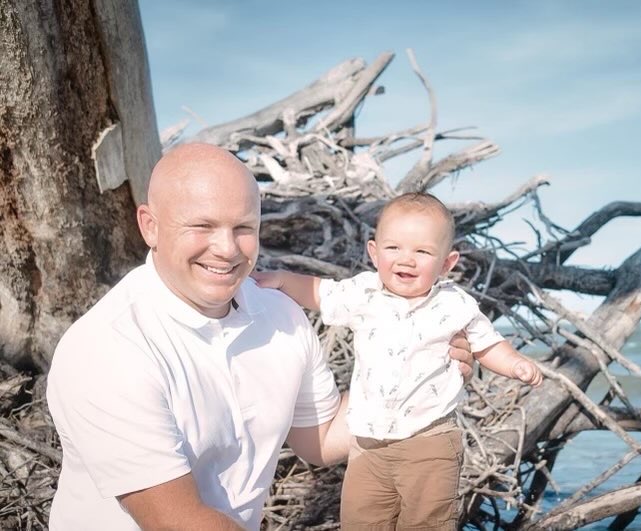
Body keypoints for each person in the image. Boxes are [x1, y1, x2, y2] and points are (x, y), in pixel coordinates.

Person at [45, 144, 474, 531]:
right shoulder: (108, 348)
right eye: (203, 225)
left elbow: (321, 439)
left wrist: (423, 372)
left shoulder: (280, 315)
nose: (227, 249)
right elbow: (178, 522)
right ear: (150, 225)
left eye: (243, 227)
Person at [253, 192, 543, 530]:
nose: (406, 259)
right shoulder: (365, 293)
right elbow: (321, 292)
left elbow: (486, 343)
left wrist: (514, 364)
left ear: (446, 264)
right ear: (374, 253)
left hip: (429, 440)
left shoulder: (454, 304)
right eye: (394, 248)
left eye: (422, 251)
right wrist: (283, 280)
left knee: (427, 522)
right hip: (366, 444)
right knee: (361, 521)